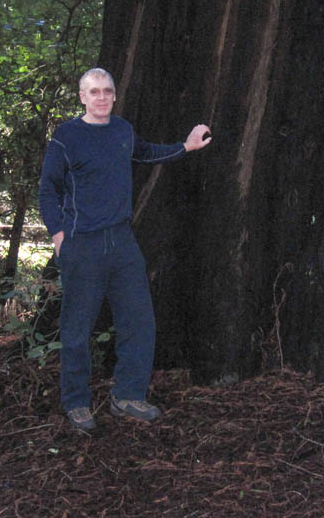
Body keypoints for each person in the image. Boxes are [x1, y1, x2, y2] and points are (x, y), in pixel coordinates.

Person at [37, 67, 212, 431]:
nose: (101, 97)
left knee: (139, 319)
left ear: (115, 96)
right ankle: (76, 403)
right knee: (77, 328)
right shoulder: (67, 136)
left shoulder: (122, 130)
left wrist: (185, 146)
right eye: (94, 92)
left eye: (107, 91)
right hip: (81, 242)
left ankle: (128, 396)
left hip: (122, 241)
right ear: (82, 97)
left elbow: (147, 154)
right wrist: (57, 235)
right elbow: (48, 188)